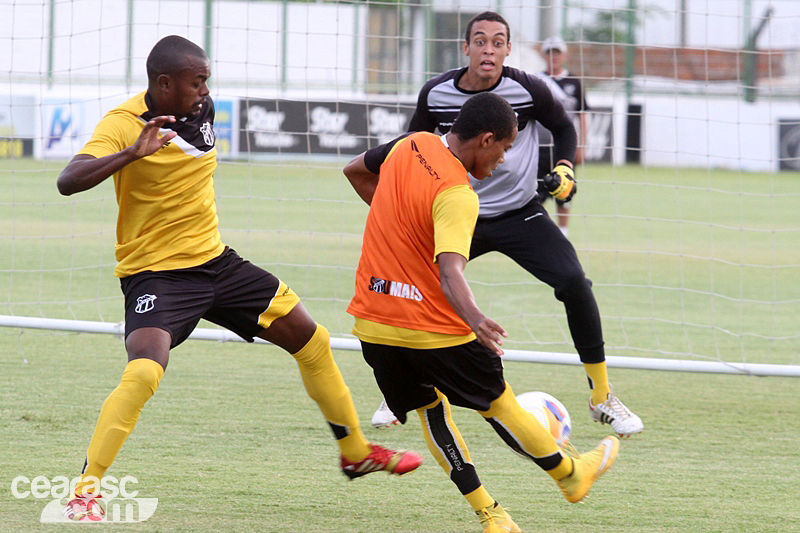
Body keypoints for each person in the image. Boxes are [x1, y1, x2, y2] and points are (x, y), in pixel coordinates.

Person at [56, 35, 421, 522]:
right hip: (157, 275)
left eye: (206, 78)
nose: (205, 89)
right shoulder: (124, 124)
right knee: (144, 370)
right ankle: (84, 492)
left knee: (313, 341)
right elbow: (68, 180)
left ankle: (355, 452)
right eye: (196, 81)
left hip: (218, 264)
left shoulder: (200, 109)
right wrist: (131, 155)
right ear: (164, 84)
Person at [344, 91, 620, 533]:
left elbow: (354, 170)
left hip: (373, 320)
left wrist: (398, 216)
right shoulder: (458, 192)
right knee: (500, 404)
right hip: (431, 327)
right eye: (506, 148)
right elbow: (451, 271)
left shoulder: (410, 143)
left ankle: (491, 515)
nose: (505, 161)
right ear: (486, 140)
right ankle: (571, 476)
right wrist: (476, 319)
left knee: (431, 411)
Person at [371, 11, 643, 438]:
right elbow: (412, 147)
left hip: (521, 213)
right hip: (455, 213)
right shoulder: (437, 92)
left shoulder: (529, 88)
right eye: (480, 41)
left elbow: (564, 127)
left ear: (508, 49)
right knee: (414, 287)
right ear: (466, 48)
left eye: (498, 42)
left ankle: (602, 397)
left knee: (574, 282)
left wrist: (567, 168)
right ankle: (404, 388)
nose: (489, 49)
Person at [535, 35, 590, 237]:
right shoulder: (535, 80)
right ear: (543, 55)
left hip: (563, 147)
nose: (553, 57)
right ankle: (536, 230)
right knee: (534, 192)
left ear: (564, 55)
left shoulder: (574, 82)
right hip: (539, 149)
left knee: (565, 189)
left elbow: (583, 114)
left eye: (557, 53)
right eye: (549, 53)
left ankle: (563, 232)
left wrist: (581, 146)